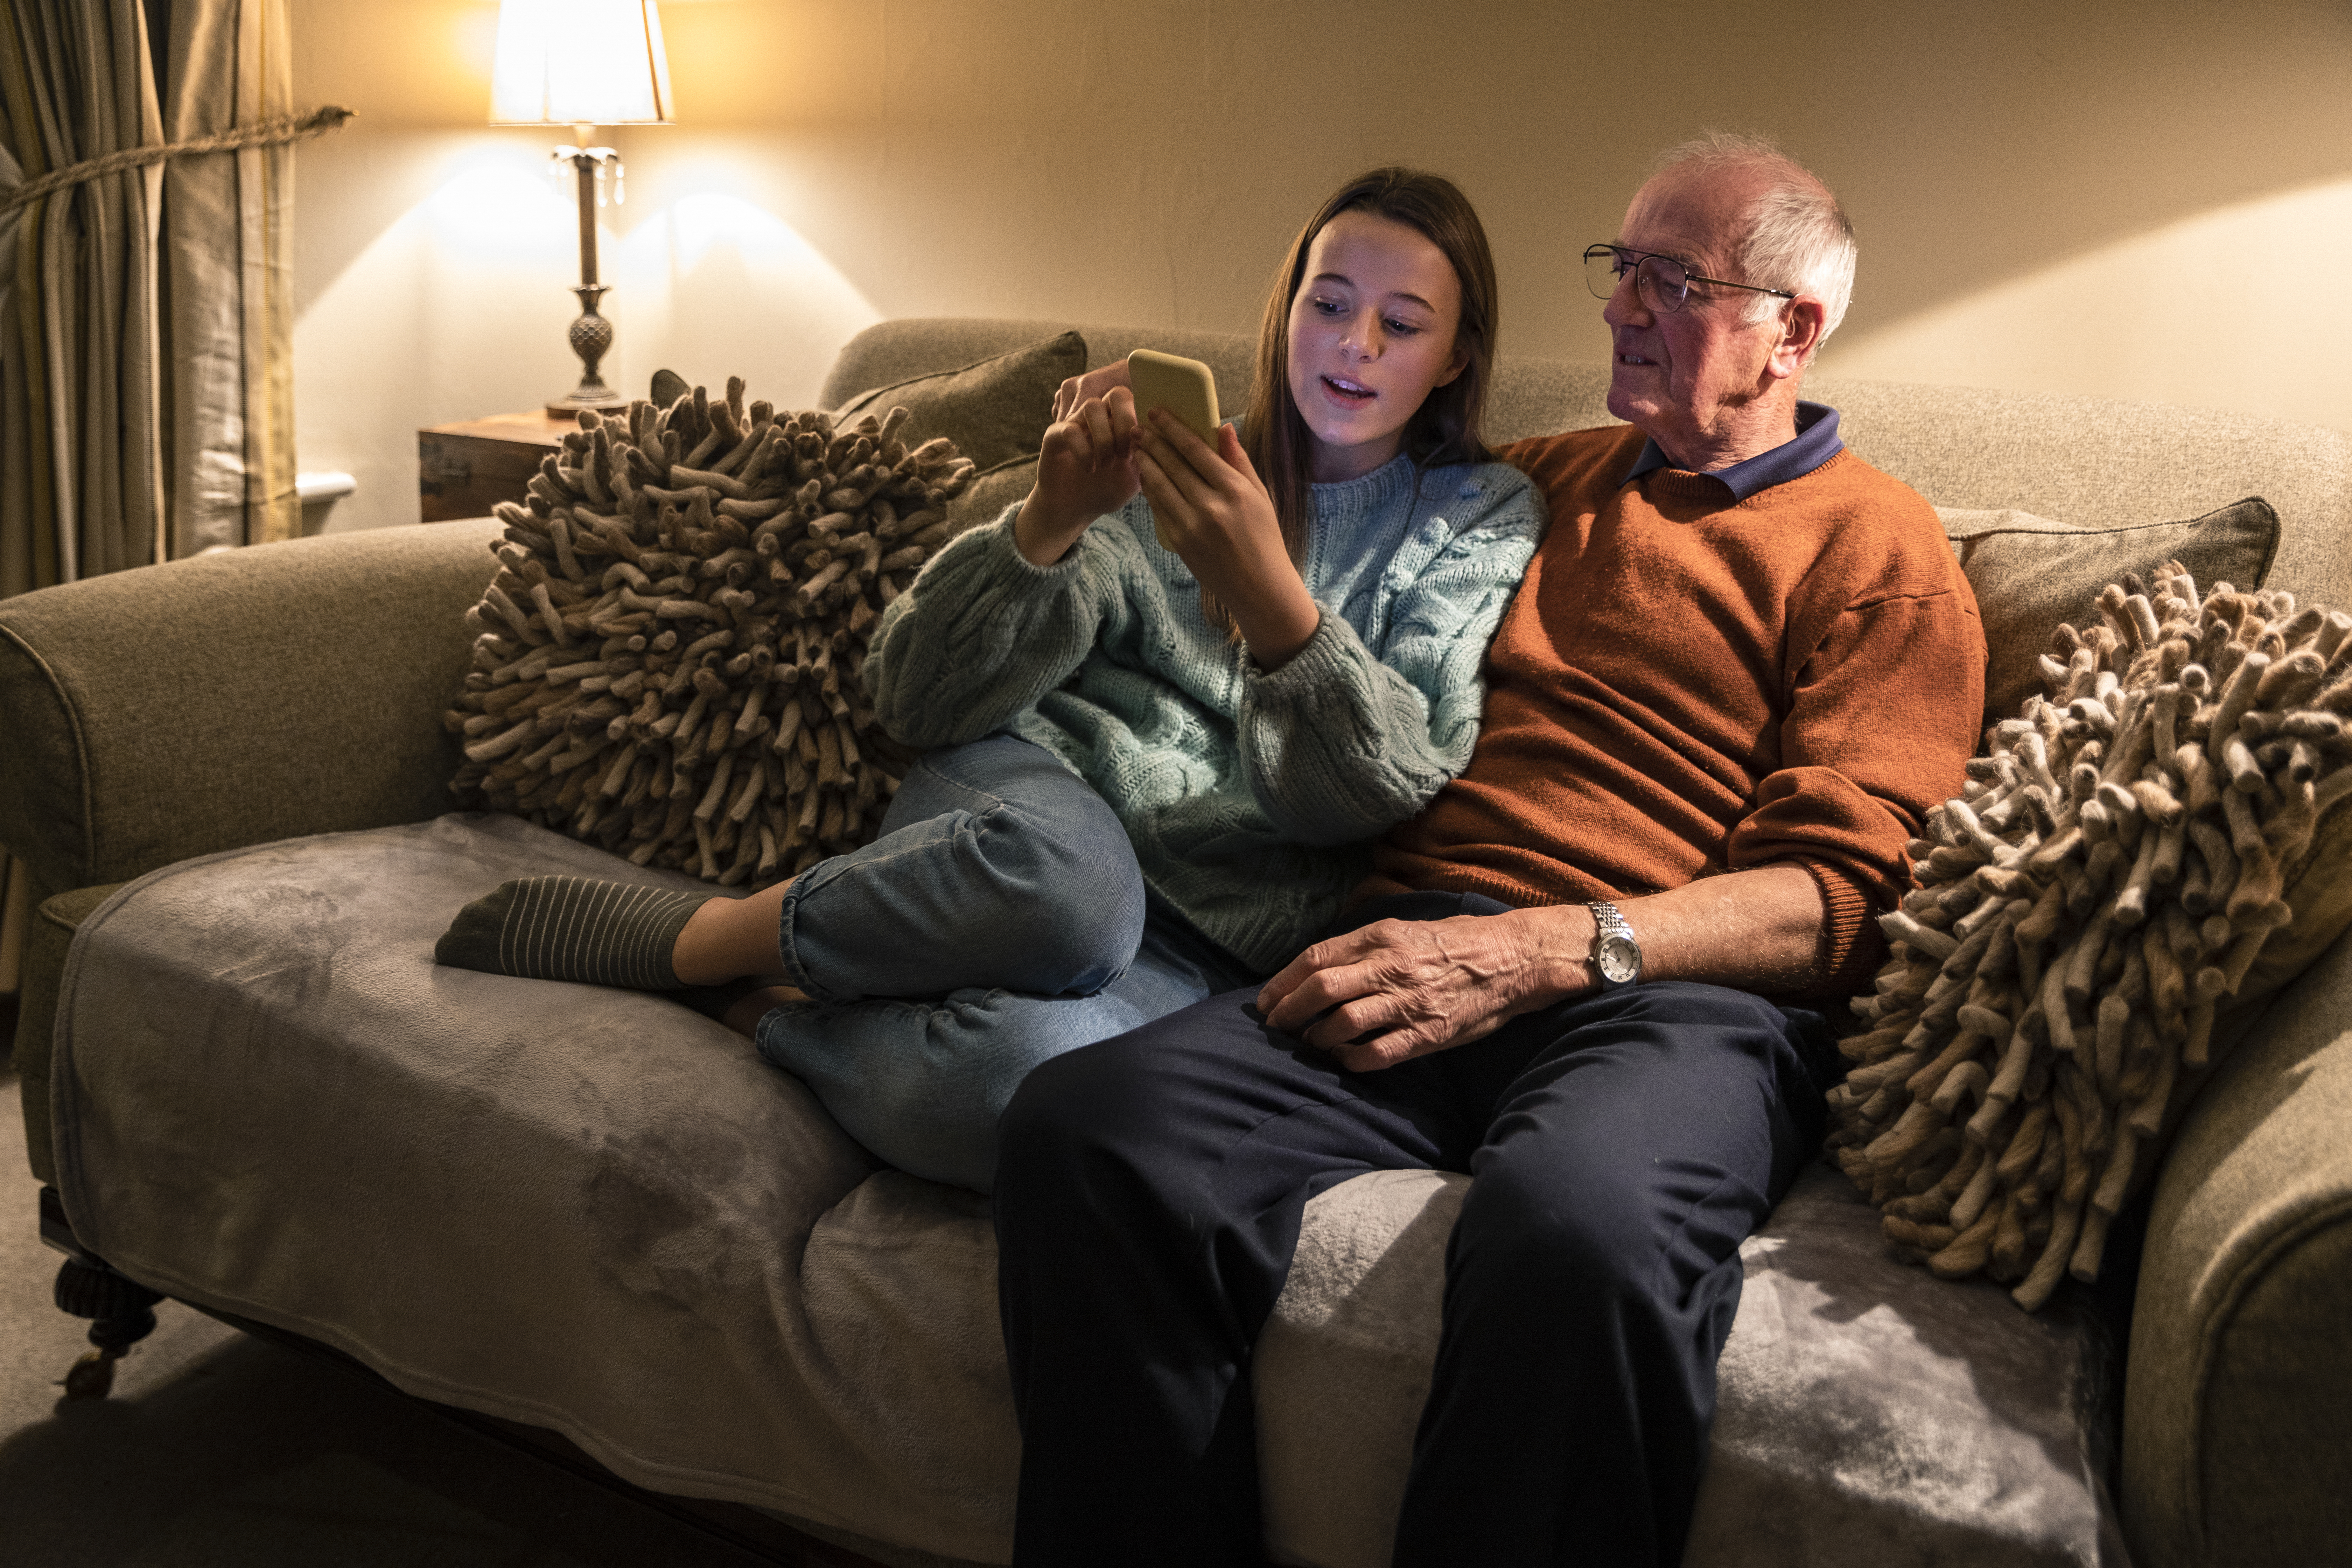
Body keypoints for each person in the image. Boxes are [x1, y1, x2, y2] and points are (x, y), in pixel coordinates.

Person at [990, 131, 1988, 1565]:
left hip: (1668, 997)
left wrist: (1548, 945)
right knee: (1084, 1134)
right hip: (1408, 943)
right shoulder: (1526, 485)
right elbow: (1325, 486)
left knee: (1574, 1238)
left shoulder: (1881, 545)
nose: (1618, 305)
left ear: (1795, 330)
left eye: (1671, 278)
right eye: (1617, 268)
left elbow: (1845, 900)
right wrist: (1131, 445)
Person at [433, 167, 1547, 1194]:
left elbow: (1373, 789)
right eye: (1328, 302)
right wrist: (1050, 521)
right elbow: (916, 701)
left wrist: (1273, 604)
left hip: (1211, 943)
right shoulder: (1179, 457)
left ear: (1454, 357)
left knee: (1038, 1094)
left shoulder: (1478, 516)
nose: (1353, 345)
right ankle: (707, 935)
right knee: (1074, 895)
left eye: (1401, 325)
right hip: (1028, 821)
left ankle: (772, 1010)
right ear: (1286, 308)